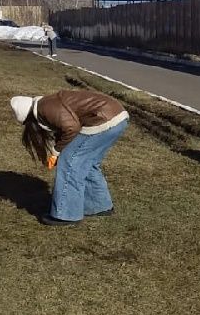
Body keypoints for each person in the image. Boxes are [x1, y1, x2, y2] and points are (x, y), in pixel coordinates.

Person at [10, 90, 129, 225]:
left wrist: (56, 152)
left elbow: (71, 128)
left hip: (102, 120)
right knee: (88, 163)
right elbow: (66, 127)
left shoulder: (45, 109)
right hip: (118, 117)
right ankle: (98, 206)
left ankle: (66, 214)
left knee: (69, 163)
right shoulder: (48, 102)